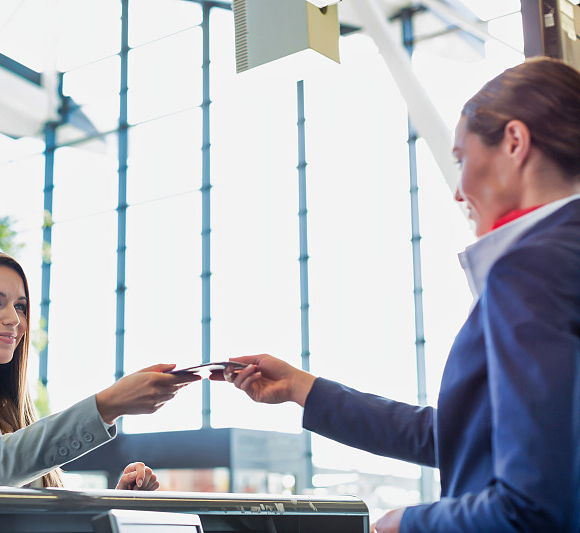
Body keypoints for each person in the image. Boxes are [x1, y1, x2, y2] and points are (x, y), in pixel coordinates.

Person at [215, 57, 580, 532]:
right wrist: (302, 389)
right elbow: (463, 435)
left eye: (461, 159)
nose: (458, 190)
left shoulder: (529, 269)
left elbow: (534, 507)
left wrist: (404, 524)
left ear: (514, 142)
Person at [0, 249, 199, 489]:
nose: (14, 320)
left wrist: (119, 503)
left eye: (20, 306)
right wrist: (108, 405)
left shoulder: (14, 415)